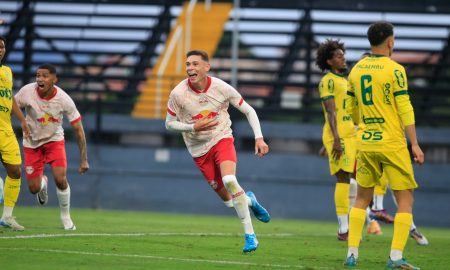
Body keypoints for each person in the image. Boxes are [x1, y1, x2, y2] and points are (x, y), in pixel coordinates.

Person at [165, 50, 271, 253]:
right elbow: (169, 124)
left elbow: (249, 110)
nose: (190, 68)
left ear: (207, 67)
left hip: (221, 138)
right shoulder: (178, 94)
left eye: (195, 64)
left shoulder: (221, 87)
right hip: (198, 149)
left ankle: (250, 236)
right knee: (230, 202)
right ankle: (251, 201)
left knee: (230, 180)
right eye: (188, 64)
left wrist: (258, 137)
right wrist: (192, 128)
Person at [344, 21, 424, 269]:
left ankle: (352, 255)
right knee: (405, 200)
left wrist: (363, 122)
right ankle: (396, 258)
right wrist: (415, 144)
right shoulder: (396, 69)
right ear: (390, 41)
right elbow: (405, 107)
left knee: (361, 199)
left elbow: (351, 110)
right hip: (391, 143)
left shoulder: (356, 70)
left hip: (365, 142)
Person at [14, 63, 89, 230]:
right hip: (32, 143)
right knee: (33, 189)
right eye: (38, 75)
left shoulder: (64, 99)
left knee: (61, 179)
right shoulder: (27, 91)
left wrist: (84, 159)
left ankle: (66, 217)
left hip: (54, 141)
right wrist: (20, 121)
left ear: (55, 79)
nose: (40, 79)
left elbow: (78, 129)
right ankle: (42, 183)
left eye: (44, 76)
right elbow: (12, 105)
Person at [315, 39, 357, 241]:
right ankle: (343, 229)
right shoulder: (328, 81)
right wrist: (335, 140)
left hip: (351, 134)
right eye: (339, 56)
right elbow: (330, 113)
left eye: (343, 55)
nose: (343, 58)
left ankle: (356, 222)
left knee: (352, 179)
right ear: (330, 61)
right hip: (339, 135)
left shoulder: (344, 80)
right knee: (343, 178)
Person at [0, 35, 30, 231]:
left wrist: (22, 119)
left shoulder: (7, 72)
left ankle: (7, 216)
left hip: (5, 127)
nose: (0, 49)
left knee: (15, 171)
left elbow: (9, 99)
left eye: (2, 46)